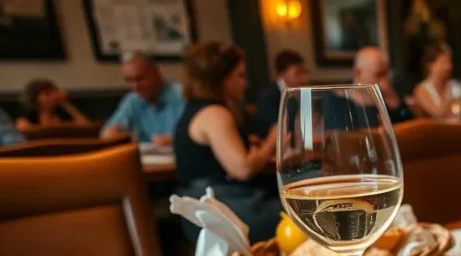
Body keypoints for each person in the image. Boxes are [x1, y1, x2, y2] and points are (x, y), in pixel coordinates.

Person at [173, 42, 280, 243]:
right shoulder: (214, 113)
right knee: (300, 212)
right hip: (222, 210)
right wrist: (273, 141)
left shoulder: (198, 109)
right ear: (220, 79)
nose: (245, 83)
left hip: (211, 207)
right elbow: (243, 168)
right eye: (239, 75)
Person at [101, 52, 184, 145]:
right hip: (147, 158)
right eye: (129, 80)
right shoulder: (133, 100)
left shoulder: (182, 95)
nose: (135, 86)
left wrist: (175, 140)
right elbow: (107, 134)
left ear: (156, 73)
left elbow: (198, 136)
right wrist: (116, 134)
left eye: (140, 79)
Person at [253, 49, 309, 139]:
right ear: (282, 74)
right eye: (298, 73)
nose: (304, 79)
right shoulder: (268, 97)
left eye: (305, 72)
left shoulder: (298, 92)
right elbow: (279, 130)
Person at [352, 46, 414, 124]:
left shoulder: (392, 91)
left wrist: (395, 103)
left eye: (386, 74)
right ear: (357, 73)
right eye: (379, 75)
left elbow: (411, 127)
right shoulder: (340, 99)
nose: (385, 80)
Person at [15, 79, 89, 130]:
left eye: (54, 92)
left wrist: (65, 103)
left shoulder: (64, 115)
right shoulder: (27, 119)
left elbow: (87, 128)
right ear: (34, 98)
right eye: (47, 94)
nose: (53, 97)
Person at [412, 42, 455, 118]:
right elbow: (438, 115)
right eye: (443, 62)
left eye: (449, 61)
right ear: (430, 65)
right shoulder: (421, 89)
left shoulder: (456, 86)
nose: (448, 67)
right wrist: (453, 101)